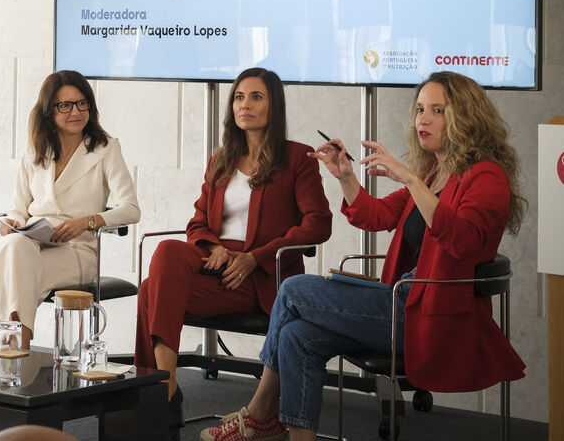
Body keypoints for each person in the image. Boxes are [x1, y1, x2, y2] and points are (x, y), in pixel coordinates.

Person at [201, 71, 526, 441]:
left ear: (466, 117)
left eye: (438, 110)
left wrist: (412, 180)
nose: (423, 117)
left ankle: (260, 413)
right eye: (420, 108)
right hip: (400, 304)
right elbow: (378, 216)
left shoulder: (485, 177)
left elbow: (463, 241)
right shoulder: (436, 171)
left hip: (432, 318)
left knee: (292, 289)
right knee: (296, 335)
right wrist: (345, 176)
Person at [135, 67, 332, 438]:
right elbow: (197, 222)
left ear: (274, 105)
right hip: (217, 263)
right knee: (166, 252)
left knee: (150, 292)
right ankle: (167, 387)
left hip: (261, 276)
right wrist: (216, 247)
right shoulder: (222, 159)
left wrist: (254, 257)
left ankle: (158, 396)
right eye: (239, 97)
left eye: (256, 96)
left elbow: (318, 224)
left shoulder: (298, 157)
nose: (246, 104)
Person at [0, 70, 140, 350]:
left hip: (77, 252)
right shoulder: (35, 150)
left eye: (81, 103)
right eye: (64, 105)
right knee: (15, 246)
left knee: (8, 268)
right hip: (33, 244)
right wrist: (12, 223)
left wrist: (87, 222)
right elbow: (19, 209)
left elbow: (131, 209)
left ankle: (8, 354)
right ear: (48, 111)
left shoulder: (105, 149)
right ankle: (17, 347)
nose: (75, 111)